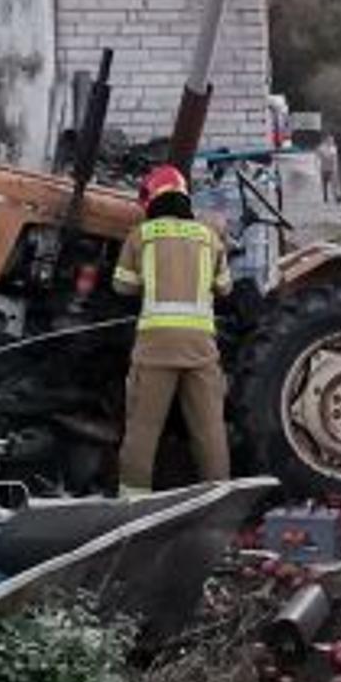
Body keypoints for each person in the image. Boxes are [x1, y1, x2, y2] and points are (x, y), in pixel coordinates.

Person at [112, 165, 232, 497]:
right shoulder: (209, 237)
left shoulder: (142, 235)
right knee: (209, 431)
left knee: (143, 431)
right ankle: (218, 502)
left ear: (151, 198)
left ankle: (132, 505)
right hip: (200, 350)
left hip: (155, 349)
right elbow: (224, 288)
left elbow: (122, 286)